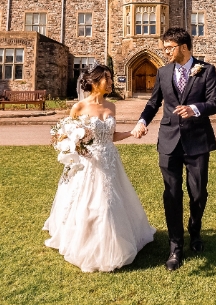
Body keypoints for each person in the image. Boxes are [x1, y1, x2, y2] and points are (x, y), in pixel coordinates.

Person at [43, 65, 155, 272]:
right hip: (88, 162)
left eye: (111, 78)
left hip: (110, 159)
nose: (111, 82)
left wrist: (131, 133)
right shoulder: (78, 107)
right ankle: (85, 239)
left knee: (111, 200)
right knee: (90, 201)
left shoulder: (111, 107)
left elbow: (110, 136)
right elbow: (67, 135)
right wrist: (70, 147)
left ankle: (117, 238)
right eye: (108, 78)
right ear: (95, 81)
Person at [131, 28, 216, 271]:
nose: (166, 51)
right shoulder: (162, 72)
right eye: (165, 48)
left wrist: (195, 109)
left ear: (183, 47)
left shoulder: (206, 70)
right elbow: (153, 103)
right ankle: (175, 247)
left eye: (169, 47)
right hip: (169, 139)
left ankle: (195, 228)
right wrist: (142, 122)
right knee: (171, 194)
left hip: (197, 140)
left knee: (198, 192)